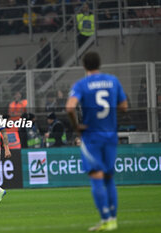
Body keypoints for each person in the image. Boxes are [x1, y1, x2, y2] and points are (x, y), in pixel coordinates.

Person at [66, 51, 128, 231]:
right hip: (110, 134)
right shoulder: (113, 81)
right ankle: (113, 219)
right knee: (109, 177)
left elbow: (70, 107)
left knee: (96, 176)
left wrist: (76, 125)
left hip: (92, 136)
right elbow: (124, 106)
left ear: (84, 66)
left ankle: (105, 219)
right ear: (99, 64)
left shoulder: (82, 84)